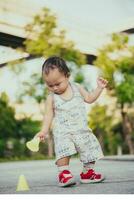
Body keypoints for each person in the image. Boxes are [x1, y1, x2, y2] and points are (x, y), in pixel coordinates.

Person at [36, 56, 108, 187]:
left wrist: (99, 88)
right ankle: (64, 174)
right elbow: (48, 115)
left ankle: (88, 172)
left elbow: (90, 98)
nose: (55, 88)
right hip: (63, 131)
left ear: (67, 76)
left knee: (89, 149)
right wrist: (44, 130)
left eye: (58, 84)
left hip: (81, 129)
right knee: (63, 151)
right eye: (50, 85)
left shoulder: (77, 88)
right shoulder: (51, 98)